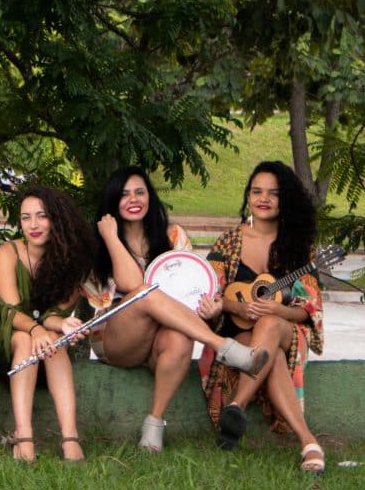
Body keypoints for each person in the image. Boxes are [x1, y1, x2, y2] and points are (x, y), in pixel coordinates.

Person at [83, 166, 269, 453]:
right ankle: (224, 346)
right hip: (115, 338)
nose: (133, 199)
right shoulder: (100, 242)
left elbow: (191, 290)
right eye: (124, 195)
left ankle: (154, 425)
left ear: (150, 197)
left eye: (139, 192)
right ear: (112, 202)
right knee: (145, 292)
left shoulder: (172, 235)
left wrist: (208, 310)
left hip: (158, 338)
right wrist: (111, 237)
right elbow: (132, 285)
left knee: (181, 337)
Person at [198, 161, 325, 473]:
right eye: (256, 191)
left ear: (286, 200)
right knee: (272, 358)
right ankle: (309, 443)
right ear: (248, 196)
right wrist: (237, 308)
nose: (263, 198)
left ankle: (236, 405)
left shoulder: (297, 246)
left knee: (268, 325)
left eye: (273, 193)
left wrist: (277, 309)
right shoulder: (229, 242)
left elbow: (308, 310)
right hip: (240, 334)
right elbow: (211, 293)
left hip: (285, 329)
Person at [0, 185, 94, 463]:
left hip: (46, 336)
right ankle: (24, 436)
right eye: (26, 217)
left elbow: (54, 315)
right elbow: (9, 311)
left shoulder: (72, 261)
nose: (33, 224)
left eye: (41, 216)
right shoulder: (8, 253)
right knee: (24, 339)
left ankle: (69, 437)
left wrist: (63, 326)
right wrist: (37, 329)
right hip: (4, 329)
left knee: (55, 342)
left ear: (57, 219)